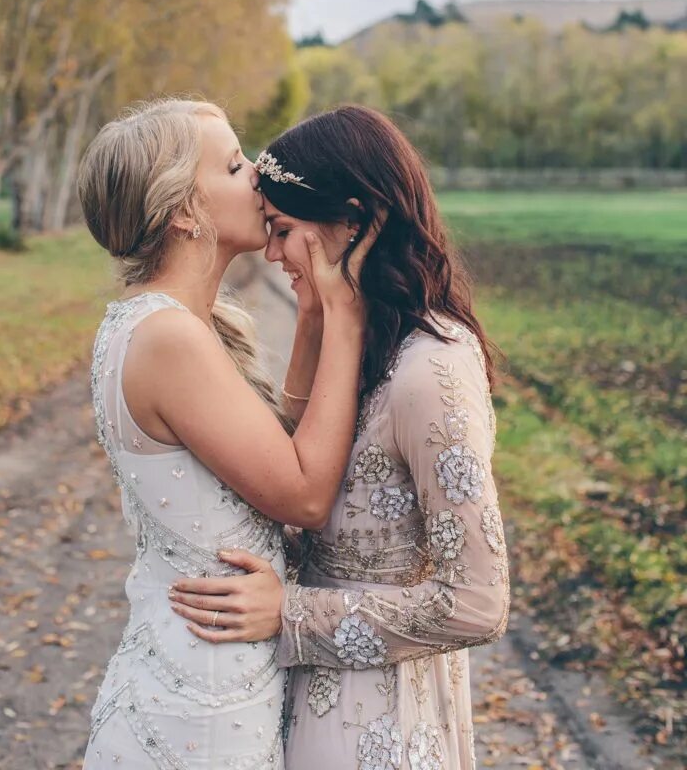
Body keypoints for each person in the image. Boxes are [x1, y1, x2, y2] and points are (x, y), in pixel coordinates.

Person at [168, 105, 510, 770]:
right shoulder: (368, 343)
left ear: (352, 220)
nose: (270, 253)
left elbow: (478, 603)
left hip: (378, 723)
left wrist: (292, 613)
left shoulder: (430, 372)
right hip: (306, 703)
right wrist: (315, 319)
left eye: (284, 230)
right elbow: (297, 465)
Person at [76, 98, 377, 769]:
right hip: (198, 711)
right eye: (238, 165)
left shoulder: (167, 323)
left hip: (205, 679)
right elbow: (302, 495)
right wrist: (346, 314)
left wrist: (308, 320)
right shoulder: (168, 338)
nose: (260, 179)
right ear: (185, 210)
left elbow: (286, 451)